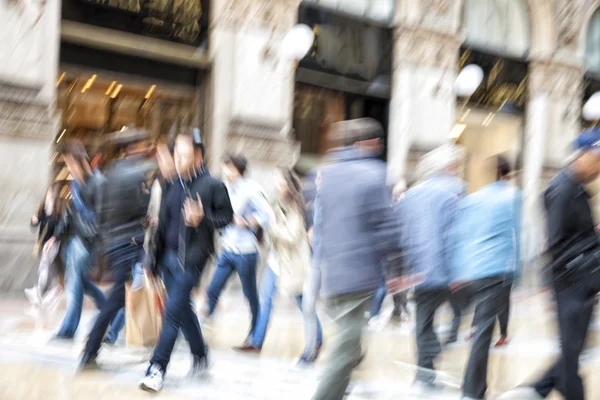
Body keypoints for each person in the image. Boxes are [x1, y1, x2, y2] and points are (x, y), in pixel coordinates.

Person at [500, 129, 600, 400]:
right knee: (570, 354)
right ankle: (538, 391)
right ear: (582, 156)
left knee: (574, 350)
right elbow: (556, 244)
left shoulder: (577, 188)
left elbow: (575, 236)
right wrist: (593, 248)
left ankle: (535, 391)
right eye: (597, 159)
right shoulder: (562, 189)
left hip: (581, 284)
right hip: (570, 284)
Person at [139, 132, 233, 392]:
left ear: (198, 156)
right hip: (168, 258)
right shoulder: (172, 184)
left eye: (183, 155)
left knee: (171, 313)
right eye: (176, 155)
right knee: (183, 310)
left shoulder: (213, 185)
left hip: (191, 260)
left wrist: (203, 219)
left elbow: (227, 217)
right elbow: (162, 225)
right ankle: (201, 355)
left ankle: (156, 368)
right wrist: (152, 261)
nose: (177, 160)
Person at [312, 118, 399, 400]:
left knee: (349, 340)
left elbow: (320, 221)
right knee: (345, 347)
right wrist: (397, 268)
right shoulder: (373, 173)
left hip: (331, 269)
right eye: (376, 144)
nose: (378, 149)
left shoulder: (326, 173)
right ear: (364, 143)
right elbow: (386, 226)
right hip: (358, 272)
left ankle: (341, 388)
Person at [79, 130, 154, 368]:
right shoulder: (135, 175)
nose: (146, 149)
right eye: (143, 145)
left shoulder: (112, 172)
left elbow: (103, 212)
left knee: (118, 297)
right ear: (133, 148)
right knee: (116, 298)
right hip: (128, 243)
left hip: (113, 242)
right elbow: (143, 210)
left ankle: (93, 346)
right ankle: (91, 347)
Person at [234, 168, 323, 363]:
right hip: (276, 261)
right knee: (266, 298)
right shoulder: (275, 203)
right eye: (276, 182)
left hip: (292, 263)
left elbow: (291, 235)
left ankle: (318, 337)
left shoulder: (297, 206)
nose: (277, 186)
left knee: (302, 302)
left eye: (281, 182)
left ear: (288, 185)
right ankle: (257, 341)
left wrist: (272, 226)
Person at [451, 155, 521, 400]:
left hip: (473, 270)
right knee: (483, 333)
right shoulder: (512, 196)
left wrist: (458, 271)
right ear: (507, 175)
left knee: (478, 329)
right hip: (496, 270)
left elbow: (460, 235)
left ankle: (471, 386)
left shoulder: (472, 199)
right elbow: (518, 235)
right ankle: (472, 390)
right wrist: (517, 271)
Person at [399, 143, 466, 392]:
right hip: (447, 269)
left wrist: (404, 269)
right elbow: (455, 233)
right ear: (449, 167)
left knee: (423, 322)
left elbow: (402, 234)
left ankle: (424, 375)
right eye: (457, 165)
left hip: (419, 270)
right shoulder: (455, 190)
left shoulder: (412, 194)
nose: (459, 170)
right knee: (461, 314)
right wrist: (459, 271)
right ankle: (438, 350)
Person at [103, 141, 177, 345]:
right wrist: (148, 220)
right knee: (137, 287)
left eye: (163, 156)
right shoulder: (157, 183)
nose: (158, 160)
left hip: (167, 250)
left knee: (173, 295)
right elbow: (152, 211)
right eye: (158, 157)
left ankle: (176, 332)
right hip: (150, 246)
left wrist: (160, 221)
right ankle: (113, 332)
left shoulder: (177, 185)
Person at [48, 143, 118, 340]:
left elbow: (101, 222)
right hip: (74, 242)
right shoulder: (77, 184)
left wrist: (94, 242)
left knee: (74, 284)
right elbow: (69, 214)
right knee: (77, 282)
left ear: (82, 162)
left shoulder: (99, 183)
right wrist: (55, 237)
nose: (69, 169)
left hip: (88, 244)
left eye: (71, 164)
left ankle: (68, 329)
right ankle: (107, 309)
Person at [203, 153, 273, 347]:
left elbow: (267, 214)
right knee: (213, 288)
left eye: (228, 167)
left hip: (246, 251)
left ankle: (254, 333)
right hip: (228, 248)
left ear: (236, 169)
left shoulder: (250, 189)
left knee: (250, 294)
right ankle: (204, 321)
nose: (225, 170)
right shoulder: (224, 188)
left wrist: (247, 222)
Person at [25, 184, 63, 308]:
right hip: (43, 245)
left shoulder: (57, 215)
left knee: (44, 267)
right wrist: (34, 220)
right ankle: (54, 291)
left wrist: (53, 239)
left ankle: (38, 292)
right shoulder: (44, 214)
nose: (48, 199)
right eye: (47, 196)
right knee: (48, 269)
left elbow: (61, 230)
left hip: (52, 245)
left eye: (50, 197)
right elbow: (34, 226)